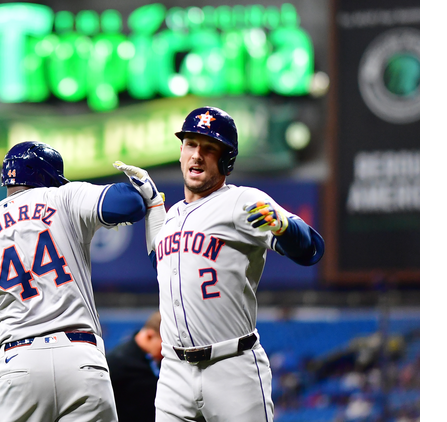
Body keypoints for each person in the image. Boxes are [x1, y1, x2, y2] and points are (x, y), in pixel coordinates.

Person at [114, 106, 325, 422]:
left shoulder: (242, 201)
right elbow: (162, 261)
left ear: (226, 159)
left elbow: (312, 250)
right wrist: (154, 202)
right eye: (190, 144)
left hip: (231, 366)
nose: (197, 155)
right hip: (174, 371)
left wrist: (285, 227)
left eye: (209, 148)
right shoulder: (172, 217)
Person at [0, 140, 148, 422]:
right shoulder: (63, 197)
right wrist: (141, 185)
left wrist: (19, 315)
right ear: (50, 177)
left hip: (19, 364)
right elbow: (128, 203)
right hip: (81, 360)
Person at [107, 311, 163, 422]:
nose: (166, 350)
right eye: (163, 344)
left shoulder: (162, 361)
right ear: (150, 335)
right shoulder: (117, 362)